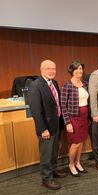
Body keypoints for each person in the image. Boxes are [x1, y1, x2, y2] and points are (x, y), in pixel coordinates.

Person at [27, 60, 66, 190]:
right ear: (41, 69)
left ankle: (53, 170)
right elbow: (36, 111)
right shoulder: (35, 85)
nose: (51, 71)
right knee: (46, 154)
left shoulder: (53, 82)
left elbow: (56, 104)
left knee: (54, 151)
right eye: (48, 68)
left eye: (53, 68)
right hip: (46, 127)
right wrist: (42, 129)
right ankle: (46, 178)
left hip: (55, 124)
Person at [61, 60, 89, 177]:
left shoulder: (84, 84)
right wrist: (67, 123)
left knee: (81, 141)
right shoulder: (67, 85)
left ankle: (78, 162)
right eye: (76, 69)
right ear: (72, 71)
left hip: (84, 117)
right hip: (73, 118)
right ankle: (71, 164)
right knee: (75, 143)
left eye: (81, 69)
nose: (79, 71)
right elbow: (63, 105)